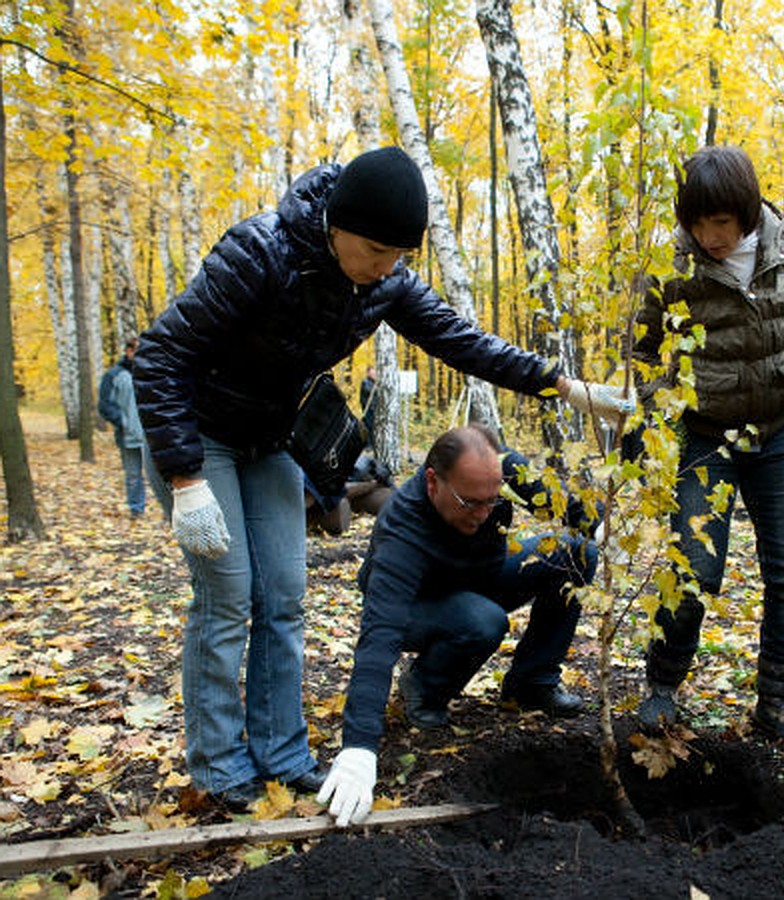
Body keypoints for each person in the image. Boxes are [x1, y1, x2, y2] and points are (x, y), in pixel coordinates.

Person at [133, 146, 630, 811]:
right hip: (200, 435)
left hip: (272, 439)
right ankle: (219, 767)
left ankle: (282, 755)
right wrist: (185, 478)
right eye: (374, 250)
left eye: (399, 256)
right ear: (335, 227)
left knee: (282, 598)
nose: (385, 268)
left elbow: (463, 340)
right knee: (228, 597)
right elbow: (162, 355)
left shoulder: (384, 279)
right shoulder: (259, 253)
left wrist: (563, 385)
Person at [629, 145, 784, 755]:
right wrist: (658, 408)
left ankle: (777, 702)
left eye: (721, 224)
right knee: (696, 568)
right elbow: (641, 350)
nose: (710, 238)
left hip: (779, 429)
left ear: (748, 213)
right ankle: (662, 688)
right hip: (705, 433)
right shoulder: (671, 263)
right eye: (698, 225)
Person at [317, 425, 598, 826]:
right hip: (416, 605)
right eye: (471, 503)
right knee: (483, 620)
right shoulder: (402, 530)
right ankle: (425, 687)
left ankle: (533, 682)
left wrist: (600, 526)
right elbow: (379, 638)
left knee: (575, 555)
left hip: (475, 576)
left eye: (492, 500)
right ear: (433, 482)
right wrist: (359, 748)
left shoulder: (491, 473)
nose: (484, 514)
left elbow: (552, 498)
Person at [100, 337, 166, 518]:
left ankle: (167, 509)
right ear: (128, 352)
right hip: (128, 436)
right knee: (133, 475)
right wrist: (124, 423)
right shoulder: (114, 376)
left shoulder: (153, 371)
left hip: (154, 434)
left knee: (163, 474)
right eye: (137, 350)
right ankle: (136, 509)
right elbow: (105, 406)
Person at [359, 366, 377, 448]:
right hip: (368, 409)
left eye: (375, 372)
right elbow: (367, 391)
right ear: (368, 373)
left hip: (375, 409)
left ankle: (373, 444)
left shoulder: (375, 382)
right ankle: (369, 445)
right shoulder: (365, 382)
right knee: (369, 426)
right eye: (372, 373)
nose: (374, 374)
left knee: (374, 427)